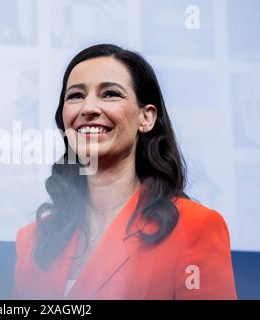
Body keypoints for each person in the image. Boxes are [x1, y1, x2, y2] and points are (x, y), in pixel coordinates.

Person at [12, 44, 236, 300]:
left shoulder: (194, 227)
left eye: (109, 94)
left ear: (146, 118)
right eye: (75, 96)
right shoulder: (33, 240)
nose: (88, 108)